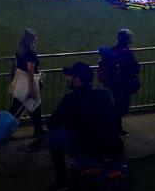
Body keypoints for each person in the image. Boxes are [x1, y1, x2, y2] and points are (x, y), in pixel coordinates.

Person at [46, 62, 123, 191]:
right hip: (115, 148)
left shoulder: (70, 99)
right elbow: (115, 119)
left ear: (77, 79)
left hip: (91, 151)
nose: (68, 79)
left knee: (54, 135)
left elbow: (51, 123)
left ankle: (62, 179)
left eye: (70, 76)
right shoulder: (104, 94)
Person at [98, 29, 140, 135]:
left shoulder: (111, 50)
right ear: (128, 40)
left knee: (114, 106)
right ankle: (115, 127)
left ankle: (112, 126)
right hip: (123, 84)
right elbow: (135, 68)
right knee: (121, 107)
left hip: (110, 83)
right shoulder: (126, 53)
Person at [9, 29, 45, 143]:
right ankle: (38, 130)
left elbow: (17, 66)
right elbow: (30, 70)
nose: (37, 39)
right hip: (28, 83)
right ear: (31, 39)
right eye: (35, 37)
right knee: (33, 107)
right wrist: (31, 88)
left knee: (17, 109)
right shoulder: (31, 53)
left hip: (20, 81)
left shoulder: (20, 51)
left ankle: (5, 130)